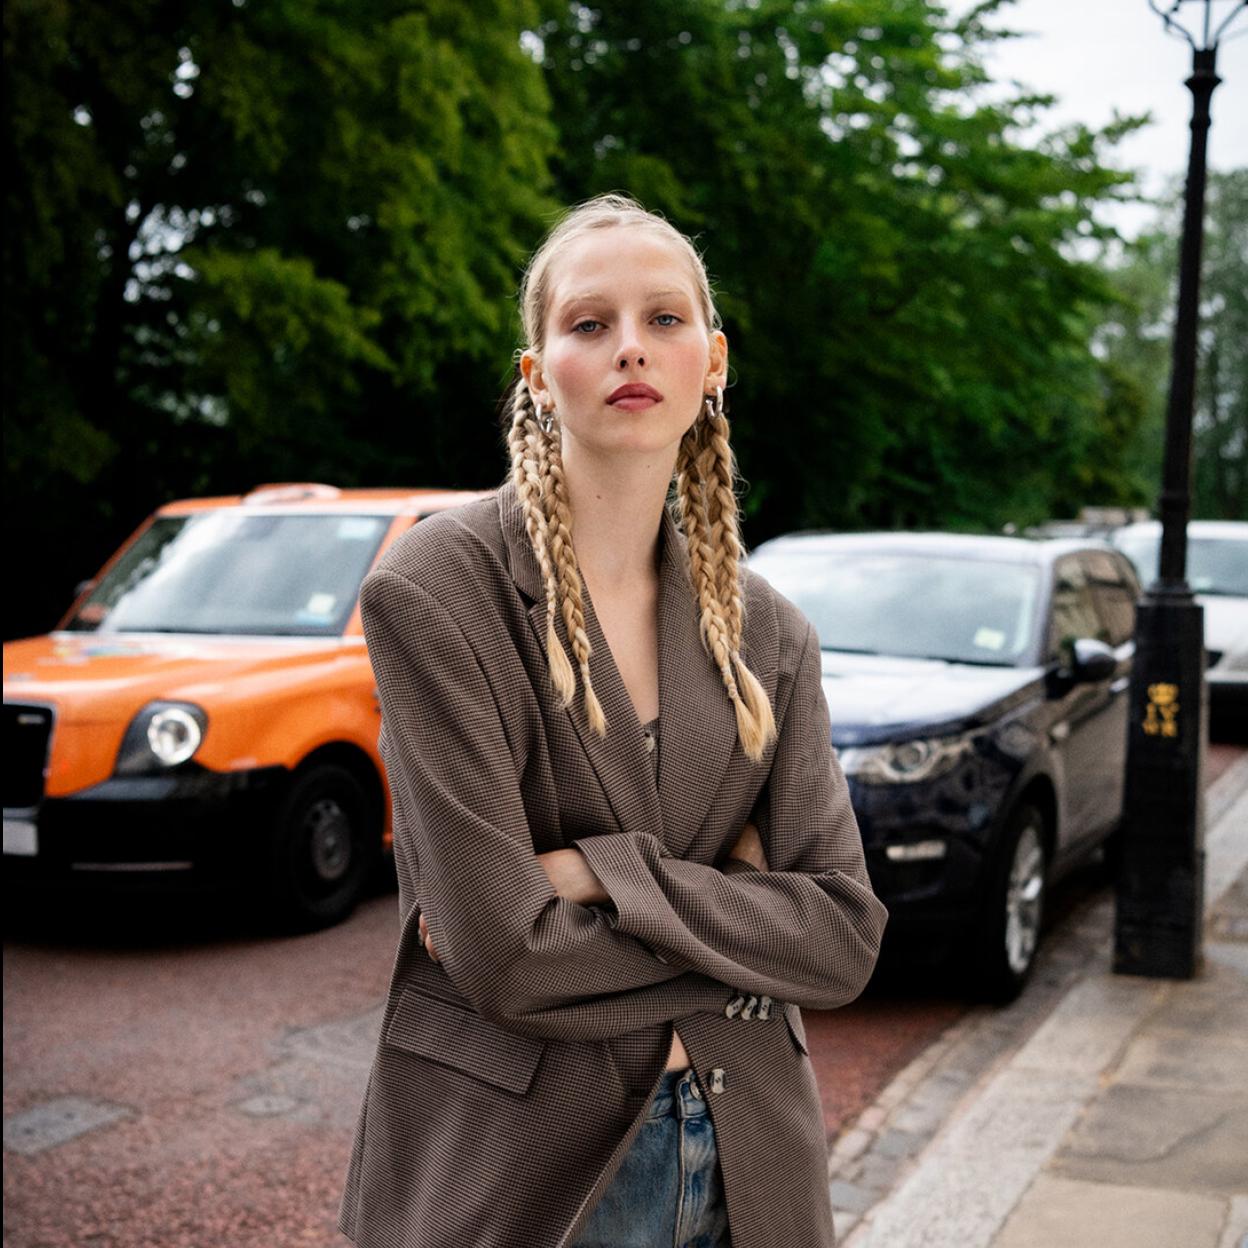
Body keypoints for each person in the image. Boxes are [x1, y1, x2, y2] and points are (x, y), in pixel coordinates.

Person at [337, 192, 888, 1248]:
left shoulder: (773, 634)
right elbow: (506, 957)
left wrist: (601, 872)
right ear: (538, 375)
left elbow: (845, 940)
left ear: (712, 363)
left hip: (750, 1150)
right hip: (530, 1164)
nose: (631, 347)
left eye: (665, 320)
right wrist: (742, 907)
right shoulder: (438, 589)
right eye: (591, 325)